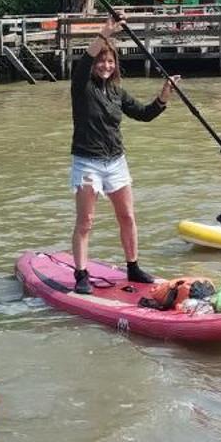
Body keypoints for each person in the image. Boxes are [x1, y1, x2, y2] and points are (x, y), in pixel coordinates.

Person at [68, 19, 175, 295]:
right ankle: (81, 274)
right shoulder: (81, 86)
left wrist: (163, 98)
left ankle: (133, 266)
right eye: (101, 61)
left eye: (111, 62)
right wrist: (105, 34)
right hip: (88, 161)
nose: (106, 66)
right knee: (86, 222)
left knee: (127, 216)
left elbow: (143, 113)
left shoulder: (117, 92)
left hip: (116, 161)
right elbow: (86, 58)